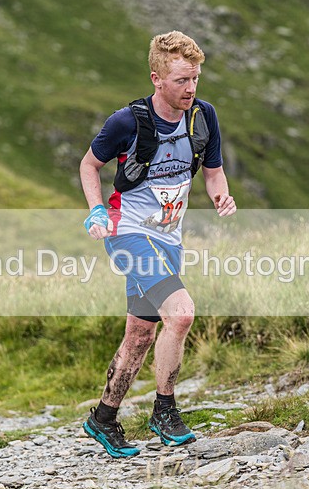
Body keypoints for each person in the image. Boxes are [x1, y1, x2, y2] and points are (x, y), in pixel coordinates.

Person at [79, 31, 237, 458]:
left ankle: (103, 419)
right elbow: (90, 165)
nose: (191, 89)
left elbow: (213, 171)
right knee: (181, 314)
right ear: (157, 79)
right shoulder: (126, 122)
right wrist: (96, 211)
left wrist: (221, 192)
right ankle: (164, 410)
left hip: (168, 237)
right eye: (182, 80)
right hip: (128, 232)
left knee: (140, 333)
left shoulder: (203, 117)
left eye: (196, 79)